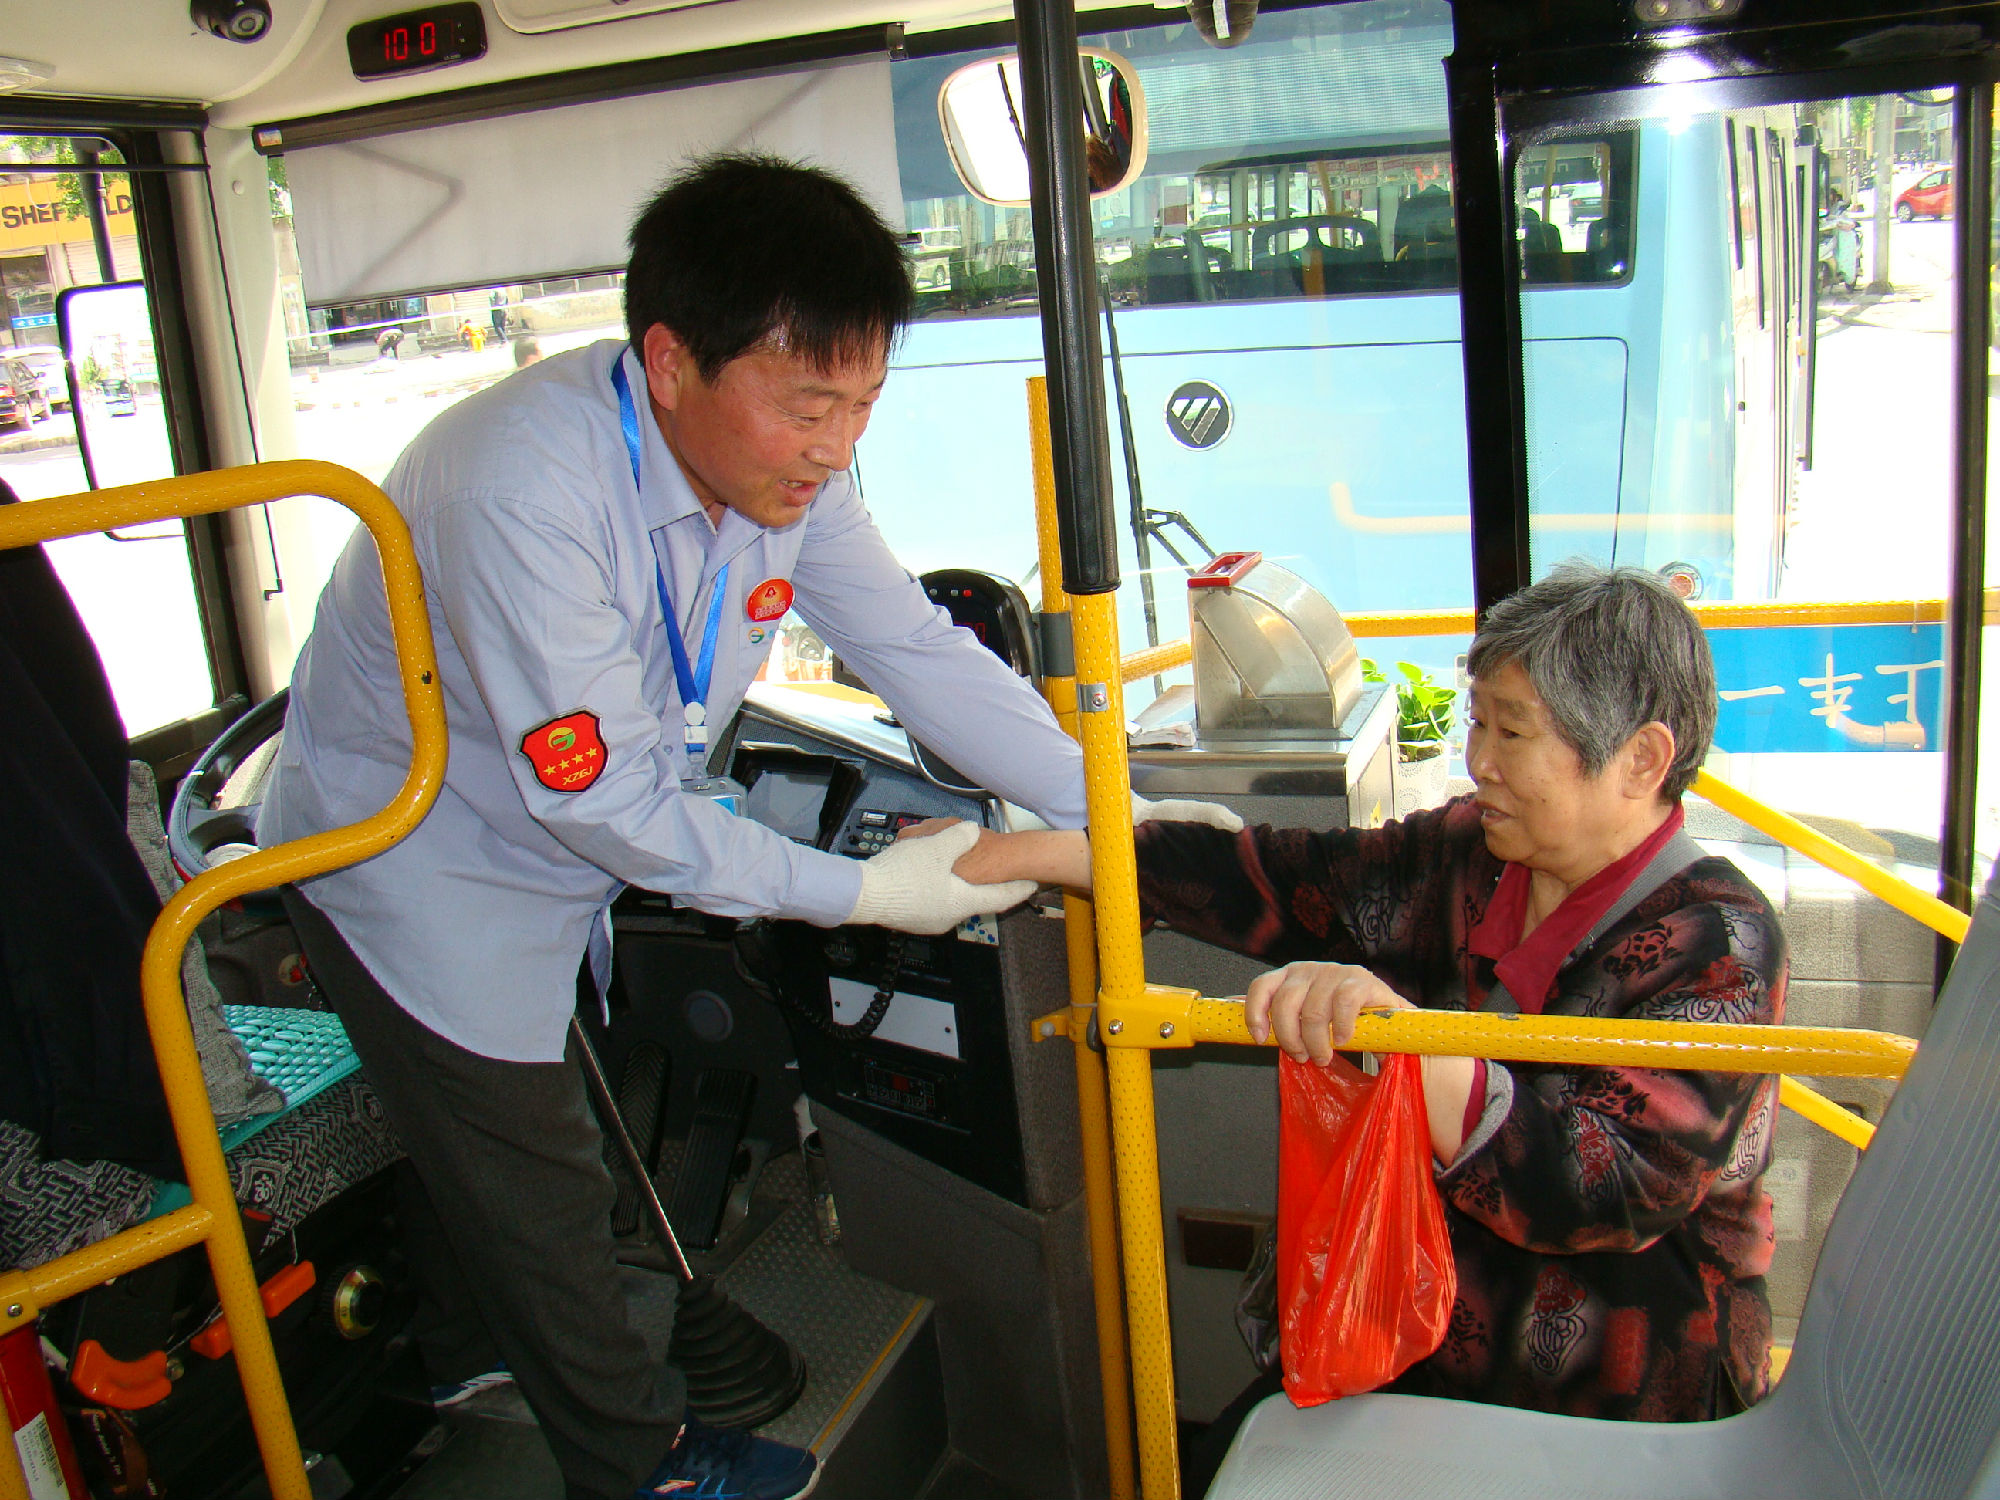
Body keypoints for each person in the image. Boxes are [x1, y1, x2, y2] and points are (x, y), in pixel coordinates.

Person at [260, 152, 1232, 1500]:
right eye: (807, 405)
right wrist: (867, 894)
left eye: (863, 404)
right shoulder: (520, 494)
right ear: (669, 363)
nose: (836, 446)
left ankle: (470, 1353)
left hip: (563, 844)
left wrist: (1118, 812)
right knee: (540, 1169)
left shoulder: (781, 479)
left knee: (514, 1134)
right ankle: (641, 1460)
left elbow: (916, 652)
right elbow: (607, 803)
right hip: (418, 871)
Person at [924, 563, 1785, 1430]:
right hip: (1414, 1320)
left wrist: (1401, 1035)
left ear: (1642, 760)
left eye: (1512, 732)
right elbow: (1278, 879)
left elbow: (1600, 1188)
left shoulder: (1720, 946)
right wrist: (1016, 855)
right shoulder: (1471, 855)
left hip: (1613, 1389)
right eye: (1477, 722)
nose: (1478, 761)